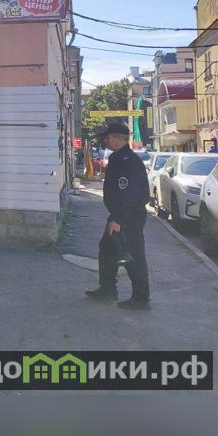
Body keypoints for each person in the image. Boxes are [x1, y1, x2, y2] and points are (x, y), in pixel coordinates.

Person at [86, 121, 151, 310]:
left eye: (108, 137)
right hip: (120, 214)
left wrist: (118, 219)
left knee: (133, 255)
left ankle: (140, 298)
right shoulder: (118, 158)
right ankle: (107, 289)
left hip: (128, 217)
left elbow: (129, 194)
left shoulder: (128, 161)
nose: (106, 141)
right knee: (107, 250)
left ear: (118, 138)